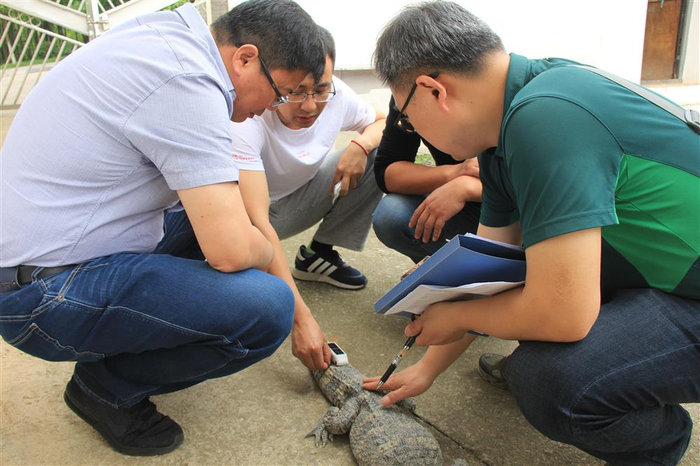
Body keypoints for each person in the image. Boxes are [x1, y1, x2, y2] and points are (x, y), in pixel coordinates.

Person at [363, 2, 700, 465]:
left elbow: (564, 314)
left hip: (689, 292)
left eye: (406, 117)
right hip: (665, 276)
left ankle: (659, 444)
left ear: (433, 90)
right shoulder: (509, 121)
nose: (410, 128)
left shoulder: (546, 118)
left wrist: (458, 317)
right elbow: (490, 266)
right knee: (536, 304)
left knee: (552, 381)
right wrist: (427, 369)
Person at [0, 0, 325, 456]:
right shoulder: (187, 81)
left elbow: (237, 216)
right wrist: (267, 255)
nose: (275, 107)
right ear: (246, 58)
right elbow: (233, 249)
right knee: (267, 308)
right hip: (39, 296)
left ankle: (127, 337)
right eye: (281, 91)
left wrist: (246, 239)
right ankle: (105, 389)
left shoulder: (168, 40)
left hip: (44, 257)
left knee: (208, 219)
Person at [230, 27, 386, 291]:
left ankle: (318, 255)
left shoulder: (336, 93)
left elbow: (383, 122)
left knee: (377, 153)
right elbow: (256, 218)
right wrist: (295, 307)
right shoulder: (249, 115)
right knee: (249, 284)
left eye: (321, 90)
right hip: (247, 216)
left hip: (296, 198)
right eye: (296, 91)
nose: (310, 106)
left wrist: (361, 145)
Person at [373, 97, 482, 263]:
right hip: (467, 206)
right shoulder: (407, 91)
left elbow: (523, 183)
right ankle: (458, 271)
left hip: (515, 209)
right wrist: (454, 173)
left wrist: (467, 188)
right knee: (392, 213)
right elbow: (387, 172)